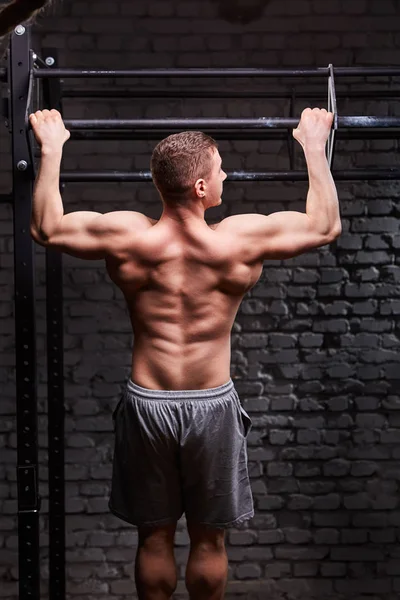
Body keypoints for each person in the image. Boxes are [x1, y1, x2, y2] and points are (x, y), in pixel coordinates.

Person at [29, 107, 341, 600]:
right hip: (211, 407)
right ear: (200, 188)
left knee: (153, 536)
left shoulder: (129, 237)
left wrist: (52, 149)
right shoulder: (237, 241)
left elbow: (47, 228)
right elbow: (324, 227)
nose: (226, 176)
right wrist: (312, 147)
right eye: (219, 170)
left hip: (147, 404)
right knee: (209, 538)